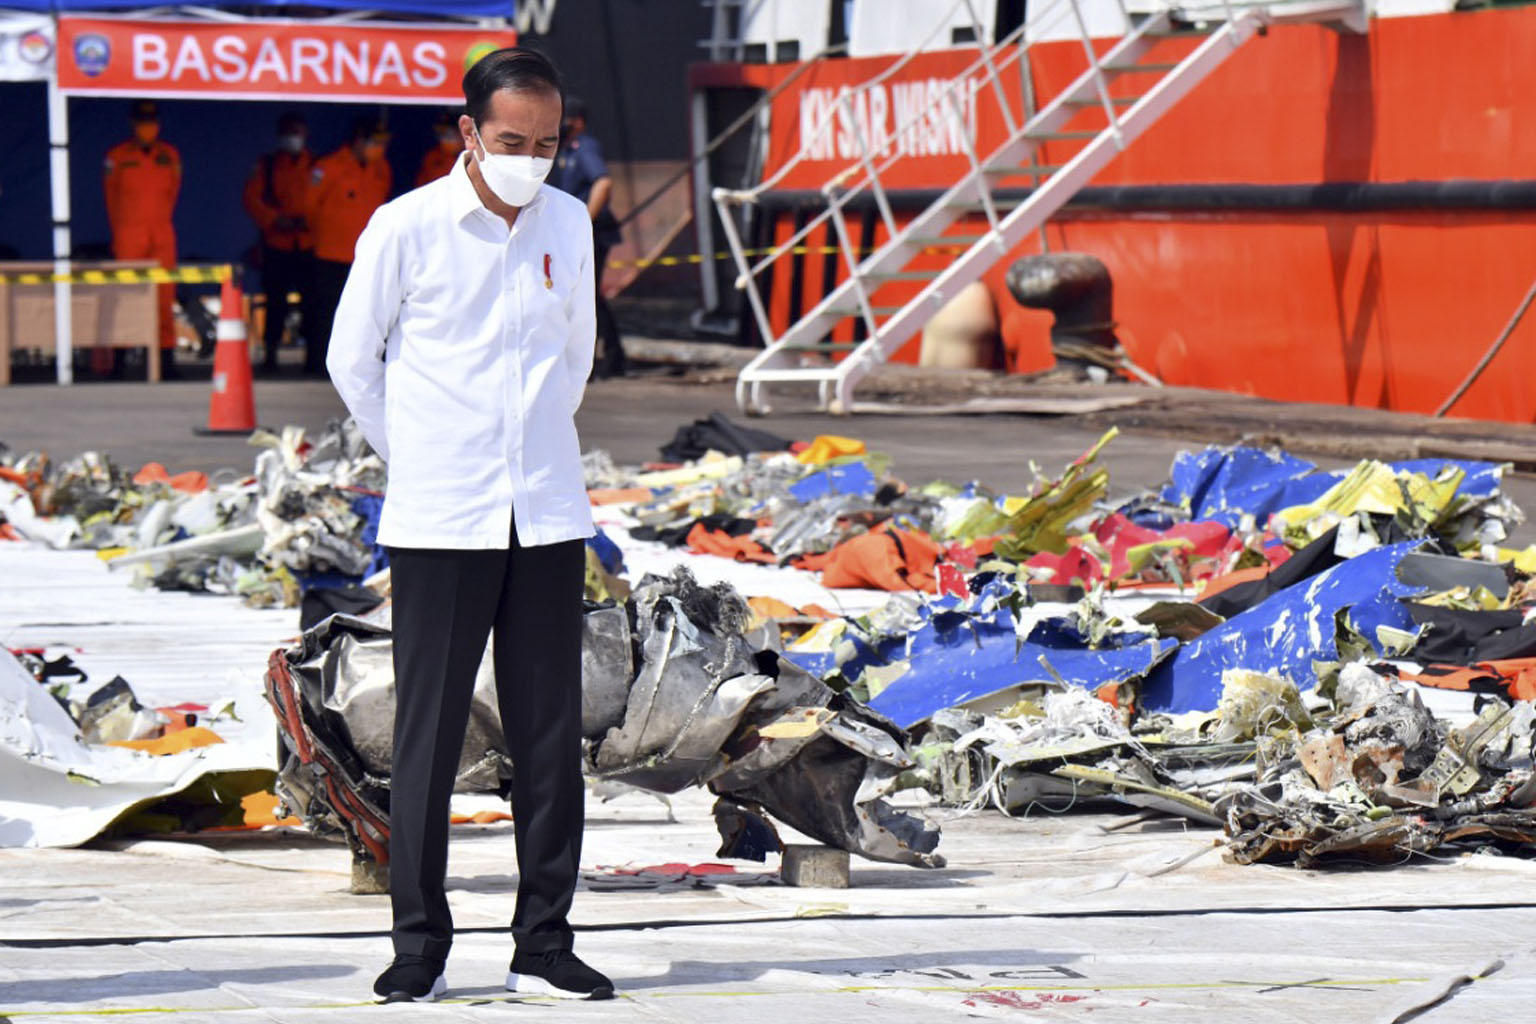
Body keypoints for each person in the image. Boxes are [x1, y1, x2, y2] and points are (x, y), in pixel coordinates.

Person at [327, 47, 612, 1004]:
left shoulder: (569, 225)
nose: (531, 158)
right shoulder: (405, 228)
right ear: (468, 135)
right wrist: (427, 453)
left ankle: (545, 937)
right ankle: (419, 945)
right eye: (511, 141)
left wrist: (524, 447)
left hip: (544, 513)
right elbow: (352, 362)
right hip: (440, 519)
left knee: (548, 739)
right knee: (429, 738)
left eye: (548, 142)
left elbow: (574, 360)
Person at [305, 117, 391, 376]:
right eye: (375, 142)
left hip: (367, 256)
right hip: (330, 253)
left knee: (369, 314)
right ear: (358, 141)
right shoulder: (328, 167)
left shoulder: (380, 168)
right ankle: (318, 363)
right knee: (326, 312)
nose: (379, 148)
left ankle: (363, 366)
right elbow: (310, 207)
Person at [103, 100, 181, 377]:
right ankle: (122, 360)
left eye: (151, 121)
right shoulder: (117, 157)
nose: (147, 127)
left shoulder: (169, 155)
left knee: (164, 295)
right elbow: (110, 198)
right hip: (129, 235)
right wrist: (121, 231)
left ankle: (166, 359)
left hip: (161, 233)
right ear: (133, 124)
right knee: (126, 296)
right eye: (142, 121)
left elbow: (172, 193)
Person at [243, 111, 314, 372]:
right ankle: (270, 354)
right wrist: (275, 219)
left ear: (305, 134)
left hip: (308, 244)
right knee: (275, 303)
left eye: (296, 132)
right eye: (288, 133)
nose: (292, 138)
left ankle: (314, 357)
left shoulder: (316, 164)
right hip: (277, 243)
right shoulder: (268, 165)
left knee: (313, 304)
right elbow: (252, 198)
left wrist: (311, 220)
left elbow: (327, 200)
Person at [550, 96, 621, 286]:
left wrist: (584, 222)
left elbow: (603, 183)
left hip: (592, 233)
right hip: (570, 231)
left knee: (586, 289)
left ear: (578, 122)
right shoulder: (562, 149)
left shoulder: (583, 147)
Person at [414, 110, 464, 187]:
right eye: (441, 135)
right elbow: (421, 184)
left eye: (449, 135)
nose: (444, 139)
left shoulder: (475, 157)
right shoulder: (433, 157)